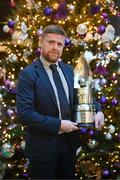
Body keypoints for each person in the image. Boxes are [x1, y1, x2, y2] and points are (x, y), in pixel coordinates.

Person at [16, 24, 104, 179]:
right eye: (50, 42)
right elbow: (25, 114)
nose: (55, 47)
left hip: (69, 145)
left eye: (59, 44)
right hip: (42, 148)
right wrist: (59, 125)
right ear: (41, 42)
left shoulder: (69, 70)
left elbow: (84, 95)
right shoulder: (28, 74)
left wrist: (98, 110)